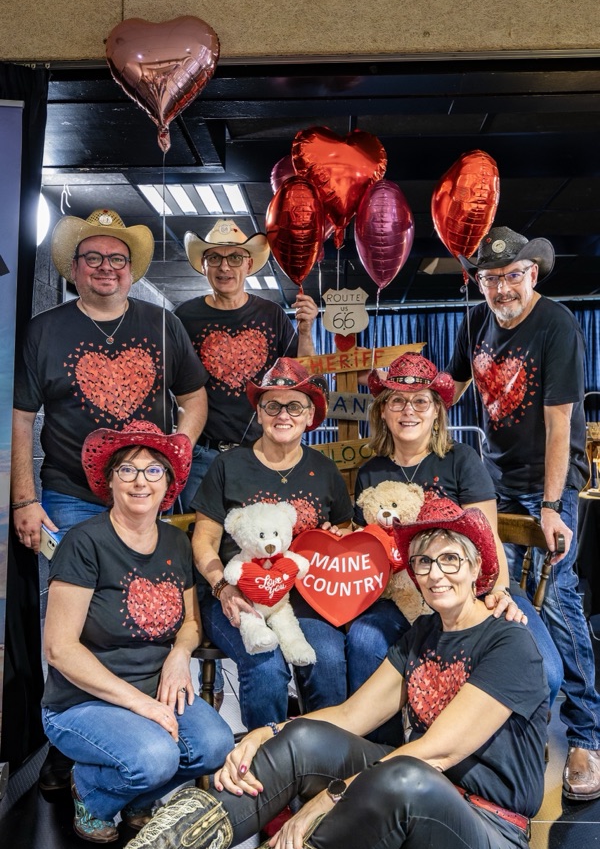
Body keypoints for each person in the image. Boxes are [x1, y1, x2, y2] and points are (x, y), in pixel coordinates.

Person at [8, 497, 549, 849]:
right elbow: (352, 714)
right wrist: (268, 733)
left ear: (478, 566)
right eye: (425, 561)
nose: (434, 575)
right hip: (410, 800)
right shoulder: (424, 634)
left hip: (487, 837)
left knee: (405, 773)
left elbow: (440, 751)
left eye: (450, 560)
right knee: (308, 737)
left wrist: (323, 801)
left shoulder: (510, 644)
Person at [447, 225, 600, 800]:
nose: (503, 288)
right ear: (479, 283)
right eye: (491, 279)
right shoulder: (477, 322)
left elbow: (561, 423)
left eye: (514, 276)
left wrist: (553, 507)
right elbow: (451, 388)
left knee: (557, 601)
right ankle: (518, 721)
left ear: (532, 274)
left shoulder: (555, 323)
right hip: (496, 481)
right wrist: (399, 387)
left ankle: (586, 735)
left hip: (550, 486)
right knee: (498, 599)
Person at [36, 420, 234, 844]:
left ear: (169, 483)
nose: (140, 481)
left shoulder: (176, 543)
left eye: (152, 470)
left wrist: (180, 656)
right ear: (109, 481)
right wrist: (142, 707)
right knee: (155, 755)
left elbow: (190, 623)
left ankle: (136, 796)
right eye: (127, 469)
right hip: (83, 701)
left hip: (155, 688)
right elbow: (59, 649)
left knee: (215, 745)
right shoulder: (83, 543)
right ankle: (91, 791)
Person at [353, 352, 563, 714]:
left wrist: (498, 592)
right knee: (363, 641)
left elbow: (487, 537)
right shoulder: (370, 472)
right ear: (383, 412)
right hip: (402, 593)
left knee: (547, 669)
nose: (408, 411)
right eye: (397, 401)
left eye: (421, 401)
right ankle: (380, 751)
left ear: (436, 411)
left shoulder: (461, 459)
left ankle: (486, 750)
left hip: (474, 588)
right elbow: (367, 546)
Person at [11, 208, 209, 553]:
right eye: (93, 257)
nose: (106, 267)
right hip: (71, 494)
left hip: (147, 492)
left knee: (145, 596)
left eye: (118, 259)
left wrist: (175, 453)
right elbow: (21, 417)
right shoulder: (42, 331)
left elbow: (194, 398)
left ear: (131, 270)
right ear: (74, 268)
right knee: (78, 595)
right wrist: (24, 500)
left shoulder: (164, 324)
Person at [190, 358, 353, 731]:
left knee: (327, 658)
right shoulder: (228, 465)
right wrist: (222, 587)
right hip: (237, 592)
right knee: (264, 663)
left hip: (307, 597)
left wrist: (335, 534)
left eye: (294, 405)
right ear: (259, 412)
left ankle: (322, 760)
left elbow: (343, 529)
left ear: (311, 414)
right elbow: (204, 540)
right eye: (272, 405)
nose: (283, 414)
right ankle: (267, 767)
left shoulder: (325, 470)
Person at [175, 219, 319, 509]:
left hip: (264, 452)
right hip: (202, 455)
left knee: (264, 537)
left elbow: (302, 378)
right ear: (203, 266)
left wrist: (305, 331)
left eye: (235, 258)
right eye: (214, 258)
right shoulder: (184, 316)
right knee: (199, 537)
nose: (224, 267)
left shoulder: (271, 313)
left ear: (249, 264)